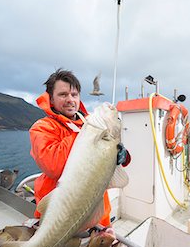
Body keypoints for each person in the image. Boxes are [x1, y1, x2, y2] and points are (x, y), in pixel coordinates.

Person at [29, 68, 129, 228]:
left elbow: (106, 160)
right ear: (51, 99)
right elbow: (53, 166)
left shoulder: (90, 122)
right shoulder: (42, 128)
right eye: (63, 95)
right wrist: (90, 132)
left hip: (98, 215)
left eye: (74, 95)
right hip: (58, 216)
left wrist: (119, 154)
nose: (70, 99)